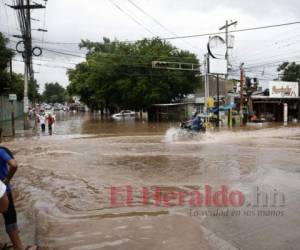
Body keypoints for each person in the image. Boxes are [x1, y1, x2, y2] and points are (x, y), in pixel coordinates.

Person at [0, 147, 38, 250]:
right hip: (3, 191)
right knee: (10, 216)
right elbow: (14, 165)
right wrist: (7, 179)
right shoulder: (1, 151)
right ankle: (18, 247)